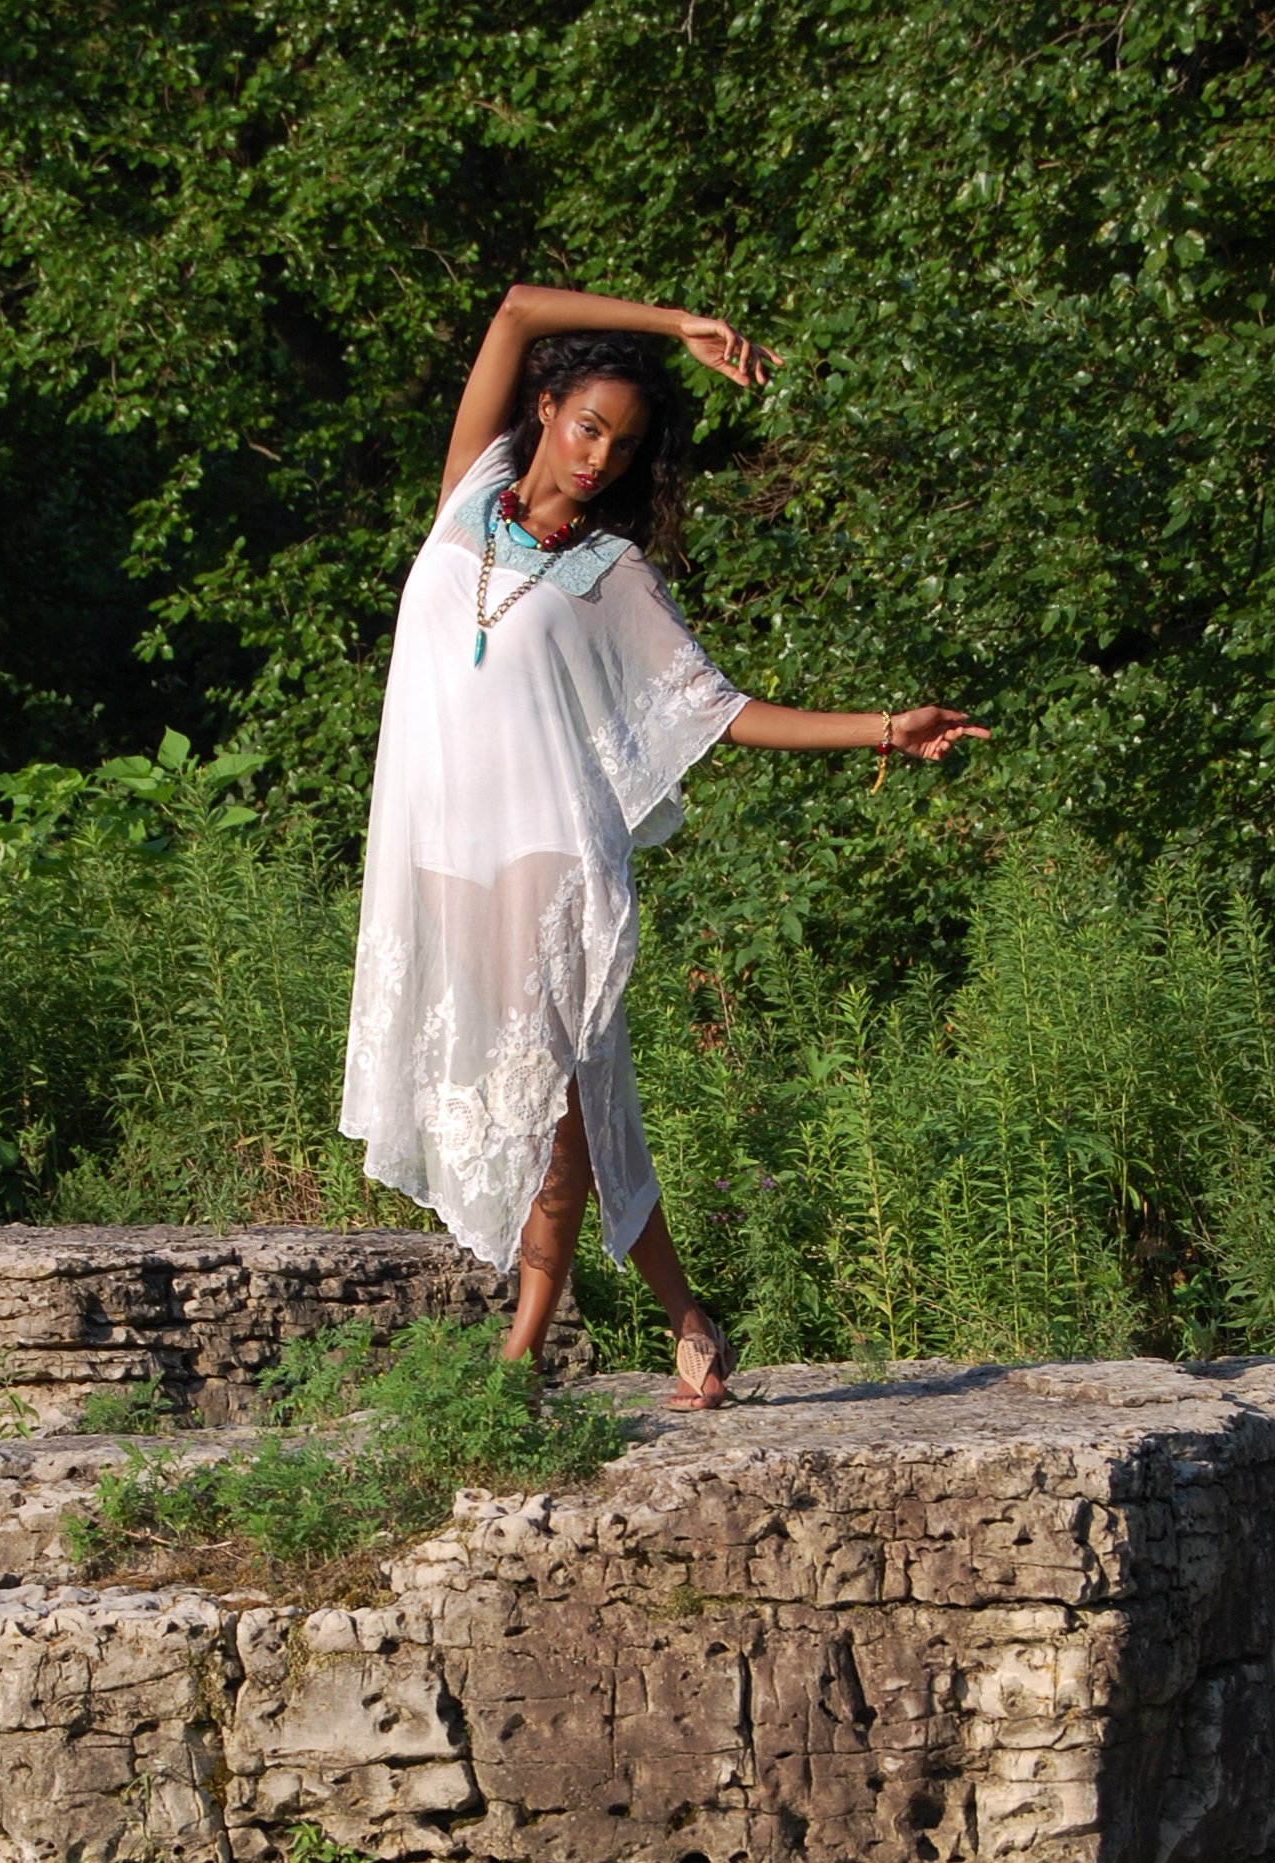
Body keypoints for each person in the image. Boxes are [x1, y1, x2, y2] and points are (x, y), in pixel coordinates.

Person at [339, 282, 987, 1408]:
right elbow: (509, 312)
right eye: (588, 425)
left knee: (545, 1102)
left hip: (548, 854)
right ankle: (689, 1322)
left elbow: (720, 708)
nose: (598, 456)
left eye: (622, 443)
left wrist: (881, 728)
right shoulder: (470, 493)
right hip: (440, 856)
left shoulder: (608, 572)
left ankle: (521, 1353)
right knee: (573, 1102)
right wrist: (675, 327)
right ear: (544, 409)